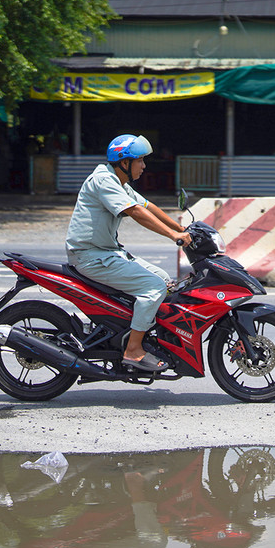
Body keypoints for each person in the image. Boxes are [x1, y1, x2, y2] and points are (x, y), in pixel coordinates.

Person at [66, 133, 190, 373]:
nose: (144, 166)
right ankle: (133, 350)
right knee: (153, 287)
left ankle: (133, 333)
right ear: (125, 162)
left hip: (106, 253)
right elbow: (135, 212)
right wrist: (173, 236)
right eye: (140, 161)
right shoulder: (104, 181)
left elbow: (147, 206)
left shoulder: (118, 182)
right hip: (91, 256)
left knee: (164, 281)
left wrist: (181, 228)